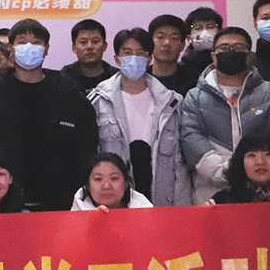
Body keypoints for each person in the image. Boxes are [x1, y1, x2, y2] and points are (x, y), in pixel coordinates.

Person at [0, 18, 98, 211]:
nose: (30, 47)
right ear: (11, 49)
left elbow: (86, 146)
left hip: (59, 201)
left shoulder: (67, 92)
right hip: (2, 201)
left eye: (36, 42)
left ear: (46, 49)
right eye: (22, 42)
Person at [179, 27, 270, 204]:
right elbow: (191, 137)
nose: (231, 52)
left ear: (250, 55)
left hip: (264, 189)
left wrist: (251, 168)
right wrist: (226, 171)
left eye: (239, 47)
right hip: (210, 188)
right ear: (213, 56)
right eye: (224, 48)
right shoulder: (195, 97)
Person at [89, 28, 191, 207]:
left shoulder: (171, 102)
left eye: (140, 53)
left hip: (161, 197)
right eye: (127, 53)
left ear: (150, 58)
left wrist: (182, 208)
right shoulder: (98, 101)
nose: (134, 58)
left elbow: (179, 162)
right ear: (117, 59)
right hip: (114, 200)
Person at [72, 152, 152, 211]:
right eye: (98, 179)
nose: (106, 186)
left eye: (114, 178)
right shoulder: (76, 215)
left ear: (126, 183)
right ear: (88, 186)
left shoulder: (144, 210)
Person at [59, 18, 117, 92]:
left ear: (105, 46)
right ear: (74, 48)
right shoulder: (64, 77)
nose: (89, 47)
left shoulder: (116, 77)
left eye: (95, 41)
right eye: (83, 42)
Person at [148, 14, 198, 95]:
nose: (166, 43)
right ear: (150, 42)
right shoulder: (141, 79)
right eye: (160, 37)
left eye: (174, 38)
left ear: (182, 45)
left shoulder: (194, 82)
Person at [180, 6, 223, 80]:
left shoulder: (228, 63)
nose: (205, 32)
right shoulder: (181, 68)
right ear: (189, 37)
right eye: (198, 28)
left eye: (210, 27)